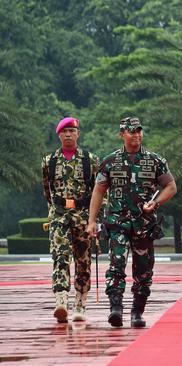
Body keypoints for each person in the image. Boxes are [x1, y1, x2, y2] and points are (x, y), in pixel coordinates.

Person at [87, 117, 177, 328]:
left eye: (138, 131)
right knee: (116, 264)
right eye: (131, 131)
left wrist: (155, 203)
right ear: (122, 134)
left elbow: (171, 187)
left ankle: (137, 311)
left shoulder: (155, 161)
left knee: (144, 270)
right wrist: (92, 221)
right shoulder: (110, 161)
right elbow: (99, 191)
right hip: (117, 222)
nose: (136, 134)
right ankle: (115, 309)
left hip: (144, 224)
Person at [42, 117, 100, 323]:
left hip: (83, 215)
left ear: (78, 134)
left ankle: (80, 305)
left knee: (83, 261)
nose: (68, 134)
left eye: (71, 131)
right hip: (59, 215)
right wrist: (54, 211)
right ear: (58, 134)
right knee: (60, 257)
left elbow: (99, 191)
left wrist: (95, 219)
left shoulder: (90, 160)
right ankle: (61, 302)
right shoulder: (49, 161)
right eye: (64, 131)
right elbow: (47, 191)